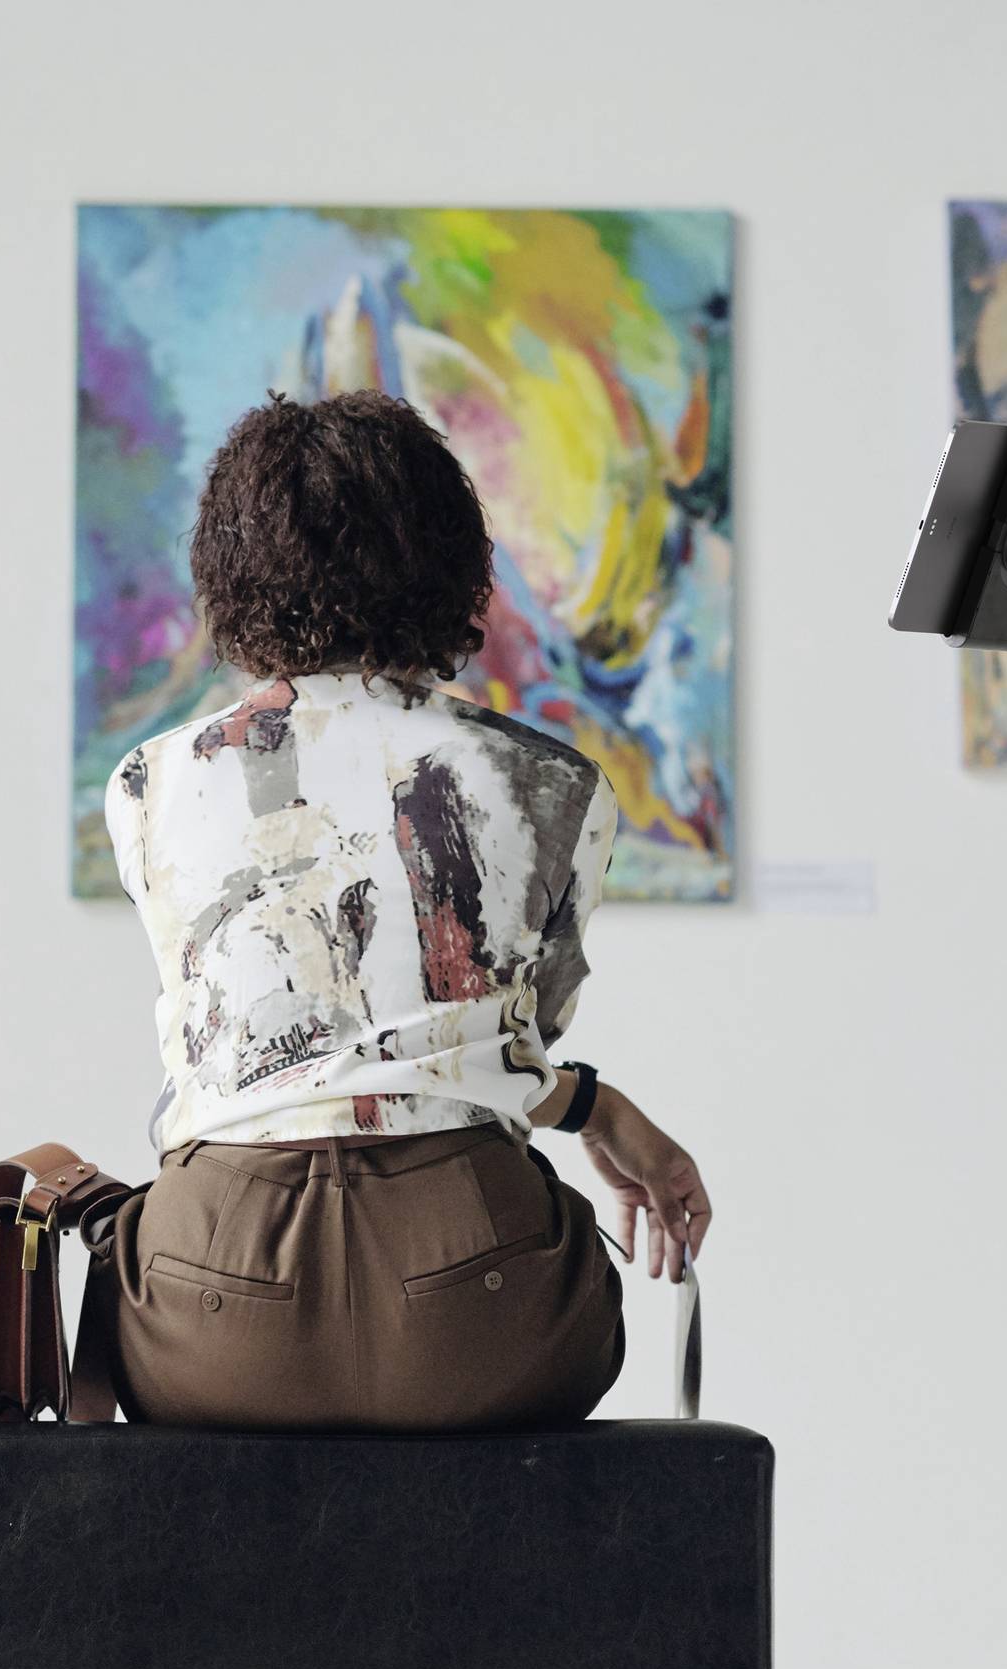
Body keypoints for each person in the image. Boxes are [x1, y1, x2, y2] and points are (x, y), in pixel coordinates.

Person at [101, 387, 714, 1437]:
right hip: (476, 1315)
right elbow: (490, 1051)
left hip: (214, 1310)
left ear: (230, 567)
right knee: (556, 1269)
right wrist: (594, 1108)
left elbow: (290, 1057)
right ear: (450, 559)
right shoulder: (552, 783)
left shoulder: (148, 783)